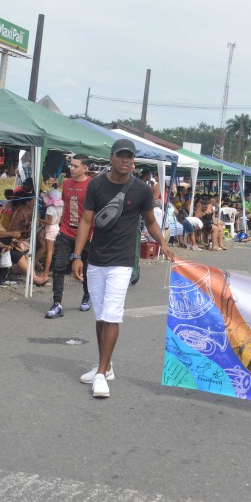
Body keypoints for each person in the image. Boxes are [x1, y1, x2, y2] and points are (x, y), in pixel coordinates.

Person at [72, 139, 173, 398]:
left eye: (130, 157)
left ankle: (100, 374)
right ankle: (106, 366)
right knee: (100, 315)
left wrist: (164, 244)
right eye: (121, 156)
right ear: (112, 158)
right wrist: (77, 255)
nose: (125, 161)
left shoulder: (140, 189)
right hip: (96, 259)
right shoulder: (96, 184)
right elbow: (86, 221)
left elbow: (151, 222)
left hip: (122, 261)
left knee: (112, 315)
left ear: (134, 161)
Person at [47, 155, 93, 319]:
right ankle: (57, 303)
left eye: (75, 166)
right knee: (58, 266)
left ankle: (87, 295)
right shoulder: (66, 184)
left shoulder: (91, 185)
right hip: (66, 232)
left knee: (85, 268)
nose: (71, 169)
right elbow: (66, 205)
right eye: (71, 165)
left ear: (85, 168)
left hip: (86, 234)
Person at [38, 188, 62, 280]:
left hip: (50, 230)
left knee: (49, 253)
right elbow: (61, 220)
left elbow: (49, 222)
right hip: (57, 228)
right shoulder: (60, 207)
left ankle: (45, 274)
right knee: (54, 252)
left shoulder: (50, 208)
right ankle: (54, 271)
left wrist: (38, 219)